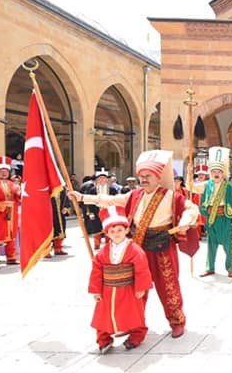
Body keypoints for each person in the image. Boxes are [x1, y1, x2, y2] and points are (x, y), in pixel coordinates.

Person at [72, 150, 198, 339]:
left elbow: (191, 208)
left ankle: (177, 321)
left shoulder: (171, 196)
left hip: (162, 246)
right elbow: (109, 200)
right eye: (141, 176)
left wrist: (185, 221)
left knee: (168, 286)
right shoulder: (134, 195)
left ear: (157, 177)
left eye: (147, 176)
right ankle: (134, 324)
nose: (143, 180)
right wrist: (82, 197)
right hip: (138, 247)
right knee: (135, 289)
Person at [87, 206, 152, 353]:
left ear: (127, 230)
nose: (116, 234)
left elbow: (142, 269)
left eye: (120, 230)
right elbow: (96, 271)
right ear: (107, 233)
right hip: (107, 289)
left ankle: (137, 334)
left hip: (128, 287)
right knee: (103, 316)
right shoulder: (103, 252)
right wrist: (96, 290)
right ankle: (103, 339)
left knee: (133, 312)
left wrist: (141, 287)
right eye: (112, 231)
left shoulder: (134, 249)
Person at [200, 146, 232, 278]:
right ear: (211, 173)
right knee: (211, 245)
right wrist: (190, 174)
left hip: (225, 218)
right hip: (212, 219)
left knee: (228, 246)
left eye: (218, 171)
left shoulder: (229, 187)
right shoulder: (207, 185)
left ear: (223, 173)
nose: (216, 174)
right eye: (213, 171)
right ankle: (210, 268)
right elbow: (192, 188)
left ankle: (230, 268)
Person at [79, 168, 118, 250]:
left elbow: (117, 200)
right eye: (100, 178)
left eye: (104, 178)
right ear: (97, 180)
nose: (102, 180)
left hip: (109, 212)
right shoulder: (93, 190)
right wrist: (90, 212)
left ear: (107, 180)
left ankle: (109, 244)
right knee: (96, 228)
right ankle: (97, 244)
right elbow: (89, 201)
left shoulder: (112, 190)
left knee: (109, 228)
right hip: (96, 212)